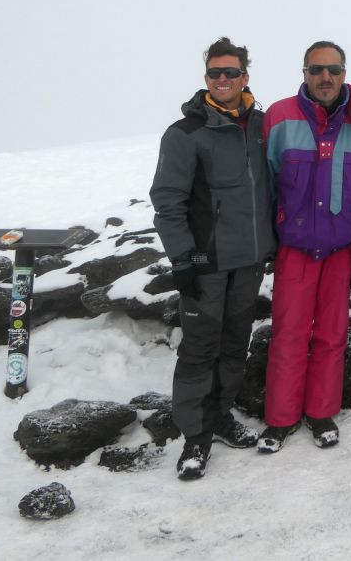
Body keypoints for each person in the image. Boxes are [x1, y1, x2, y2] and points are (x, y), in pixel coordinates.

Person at [150, 37, 275, 480]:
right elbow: (167, 202)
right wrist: (183, 261)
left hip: (250, 260)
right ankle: (195, 438)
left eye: (231, 72)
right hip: (206, 263)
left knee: (234, 345)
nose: (223, 80)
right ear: (206, 79)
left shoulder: (261, 126)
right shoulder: (186, 133)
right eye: (214, 73)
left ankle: (220, 416)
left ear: (245, 77)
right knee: (200, 351)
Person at [257, 41, 351, 451]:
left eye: (333, 69)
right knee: (289, 334)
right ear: (304, 73)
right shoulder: (279, 117)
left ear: (345, 73)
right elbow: (265, 181)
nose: (324, 77)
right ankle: (280, 419)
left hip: (340, 247)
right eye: (316, 70)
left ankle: (321, 412)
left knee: (332, 335)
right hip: (294, 247)